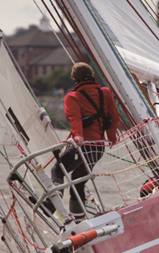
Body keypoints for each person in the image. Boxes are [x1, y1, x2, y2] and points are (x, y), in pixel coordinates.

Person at [49, 62, 119, 221]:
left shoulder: (72, 97)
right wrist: (112, 138)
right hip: (98, 148)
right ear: (92, 75)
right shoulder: (105, 92)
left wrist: (78, 135)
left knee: (58, 170)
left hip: (83, 146)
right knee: (78, 182)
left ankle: (51, 205)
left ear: (74, 78)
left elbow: (75, 118)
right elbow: (114, 117)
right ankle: (79, 219)